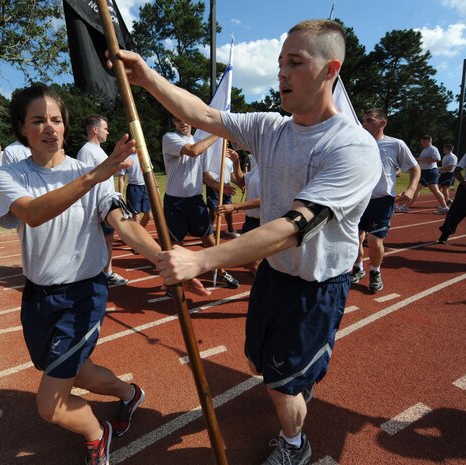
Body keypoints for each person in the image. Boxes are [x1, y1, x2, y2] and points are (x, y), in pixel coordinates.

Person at [114, 19, 380, 465]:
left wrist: (201, 260)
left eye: (295, 62)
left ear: (330, 69)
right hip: (274, 278)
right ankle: (297, 377)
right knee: (258, 362)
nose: (282, 73)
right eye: (280, 63)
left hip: (316, 287)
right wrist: (146, 77)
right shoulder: (270, 127)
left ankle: (295, 444)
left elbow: (295, 226)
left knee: (281, 383)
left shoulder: (352, 146)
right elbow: (204, 115)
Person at [0, 85, 208, 465]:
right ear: (21, 128)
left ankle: (97, 433)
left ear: (66, 125)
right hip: (39, 296)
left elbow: (123, 225)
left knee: (50, 406)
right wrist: (94, 176)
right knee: (79, 373)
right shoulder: (10, 174)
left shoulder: (91, 174)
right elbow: (35, 213)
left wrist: (163, 259)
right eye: (38, 120)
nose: (50, 128)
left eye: (56, 119)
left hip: (82, 297)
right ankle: (129, 394)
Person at [161, 115, 240, 288]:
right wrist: (219, 133)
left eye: (185, 119)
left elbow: (204, 174)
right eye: (178, 120)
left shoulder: (200, 142)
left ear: (191, 121)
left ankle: (221, 272)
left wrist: (216, 185)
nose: (183, 122)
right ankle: (175, 283)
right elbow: (193, 150)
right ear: (174, 122)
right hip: (174, 202)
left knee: (210, 241)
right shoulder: (170, 138)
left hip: (195, 201)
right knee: (176, 245)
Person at [349, 109, 421, 293]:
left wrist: (412, 188)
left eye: (368, 120)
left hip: (382, 201)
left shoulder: (396, 144)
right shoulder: (356, 143)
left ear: (382, 123)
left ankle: (375, 271)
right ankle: (358, 267)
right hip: (358, 199)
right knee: (355, 238)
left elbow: (414, 168)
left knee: (373, 241)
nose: (363, 124)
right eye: (362, 120)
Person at [77, 115, 128, 287]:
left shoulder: (99, 150)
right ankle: (93, 275)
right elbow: (86, 181)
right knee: (94, 242)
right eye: (105, 128)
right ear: (95, 129)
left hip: (106, 203)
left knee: (108, 239)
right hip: (97, 206)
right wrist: (93, 209)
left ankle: (107, 273)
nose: (108, 131)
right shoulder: (86, 151)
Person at [216, 149, 263, 275]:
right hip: (251, 220)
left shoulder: (275, 169)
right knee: (250, 261)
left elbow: (267, 199)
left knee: (253, 262)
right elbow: (242, 181)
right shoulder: (259, 166)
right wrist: (236, 162)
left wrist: (235, 206)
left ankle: (265, 290)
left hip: (265, 221)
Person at [397, 135, 449, 214]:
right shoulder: (425, 149)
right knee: (435, 190)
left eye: (422, 141)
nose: (421, 143)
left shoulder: (432, 149)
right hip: (427, 172)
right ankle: (444, 207)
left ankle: (406, 207)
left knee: (416, 189)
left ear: (427, 141)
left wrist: (421, 159)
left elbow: (437, 158)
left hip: (429, 172)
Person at [204, 147, 243, 238]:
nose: (226, 146)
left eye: (227, 144)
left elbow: (231, 175)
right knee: (213, 211)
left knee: (229, 210)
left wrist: (240, 184)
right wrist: (215, 185)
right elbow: (206, 174)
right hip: (214, 186)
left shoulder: (229, 160)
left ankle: (230, 230)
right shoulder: (212, 157)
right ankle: (208, 233)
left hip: (227, 186)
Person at [117, 153, 151, 228]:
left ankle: (139, 232)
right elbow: (121, 177)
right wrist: (120, 193)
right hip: (133, 189)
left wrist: (156, 186)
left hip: (146, 187)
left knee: (148, 215)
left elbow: (151, 172)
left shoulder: (145, 154)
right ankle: (137, 236)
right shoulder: (125, 157)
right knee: (136, 217)